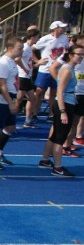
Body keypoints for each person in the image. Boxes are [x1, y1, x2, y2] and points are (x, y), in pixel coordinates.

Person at [38, 45, 83, 177]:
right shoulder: (67, 70)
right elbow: (60, 90)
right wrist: (63, 111)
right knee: (60, 137)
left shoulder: (70, 69)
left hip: (67, 103)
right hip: (64, 105)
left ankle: (45, 160)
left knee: (55, 135)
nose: (81, 57)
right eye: (78, 54)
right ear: (71, 55)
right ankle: (58, 167)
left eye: (83, 54)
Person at [0, 38, 24, 170]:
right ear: (10, 48)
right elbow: (2, 85)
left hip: (9, 99)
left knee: (11, 127)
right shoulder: (3, 63)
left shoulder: (13, 62)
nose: (22, 50)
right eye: (19, 48)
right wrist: (10, 103)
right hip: (1, 101)